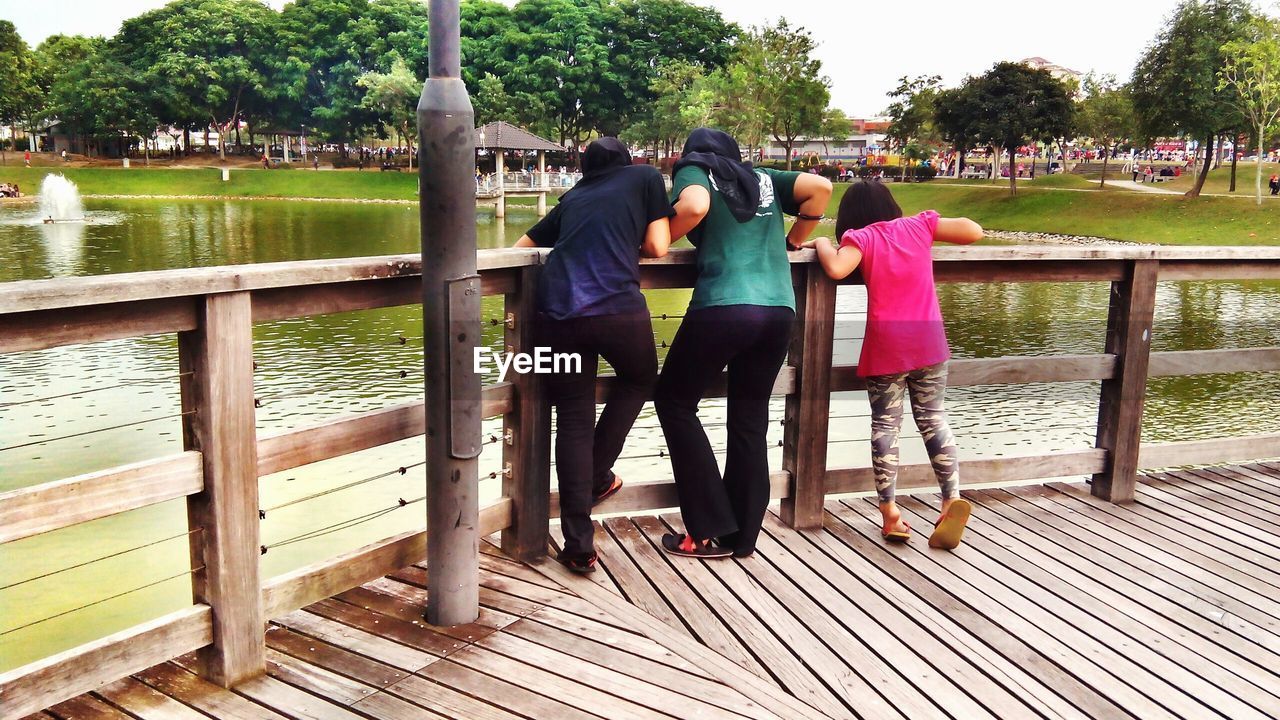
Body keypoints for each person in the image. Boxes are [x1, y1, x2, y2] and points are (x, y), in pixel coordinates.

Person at [655, 127, 831, 559]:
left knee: (674, 403)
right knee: (749, 420)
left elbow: (695, 205)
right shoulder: (764, 178)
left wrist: (662, 238)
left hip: (724, 306)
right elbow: (822, 188)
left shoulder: (695, 170)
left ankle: (707, 527)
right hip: (779, 310)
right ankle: (742, 536)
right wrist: (797, 238)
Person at [512, 138, 673, 573]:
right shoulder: (644, 178)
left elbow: (519, 248)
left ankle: (579, 545)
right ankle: (596, 476)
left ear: (586, 169)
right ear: (626, 162)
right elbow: (658, 247)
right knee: (640, 379)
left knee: (573, 416)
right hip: (617, 307)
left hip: (556, 311)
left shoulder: (574, 197)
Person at [803, 181, 982, 550]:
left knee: (887, 426)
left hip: (888, 348)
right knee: (934, 419)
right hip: (929, 343)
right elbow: (973, 231)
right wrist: (931, 223)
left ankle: (890, 513)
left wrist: (821, 243)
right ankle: (950, 499)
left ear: (852, 215)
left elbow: (837, 268)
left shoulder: (861, 238)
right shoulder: (919, 225)